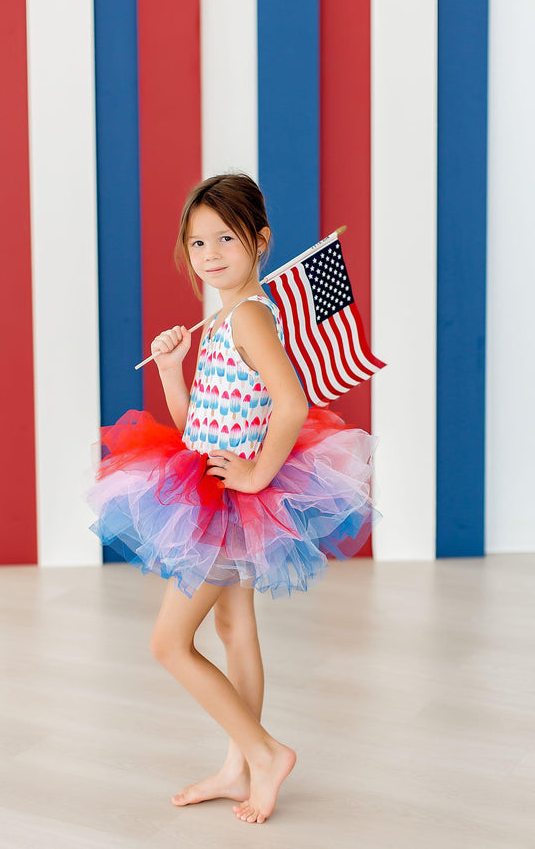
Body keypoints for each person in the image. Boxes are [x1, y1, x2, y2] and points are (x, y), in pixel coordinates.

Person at [85, 172, 380, 824]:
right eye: (196, 242)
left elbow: (292, 402)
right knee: (232, 626)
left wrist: (253, 475)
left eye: (226, 237)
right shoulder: (223, 318)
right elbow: (196, 422)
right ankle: (238, 765)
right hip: (208, 485)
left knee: (168, 643)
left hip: (227, 499)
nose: (210, 253)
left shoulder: (248, 314)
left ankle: (265, 752)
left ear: (260, 241)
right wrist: (170, 366)